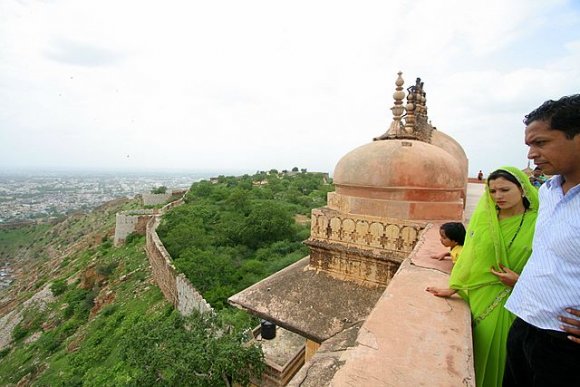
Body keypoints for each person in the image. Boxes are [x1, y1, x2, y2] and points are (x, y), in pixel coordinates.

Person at [426, 166, 538, 387]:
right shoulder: (485, 219)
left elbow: (550, 266)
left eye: (505, 190)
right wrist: (454, 287)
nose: (498, 196)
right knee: (476, 354)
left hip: (516, 301)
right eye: (493, 191)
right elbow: (470, 255)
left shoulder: (539, 222)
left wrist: (520, 281)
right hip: (479, 295)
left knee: (504, 360)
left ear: (523, 188)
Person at [503, 95, 580, 386]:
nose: (532, 154)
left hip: (566, 343)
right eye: (529, 146)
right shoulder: (548, 191)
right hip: (525, 320)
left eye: (541, 143)